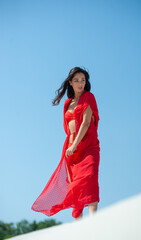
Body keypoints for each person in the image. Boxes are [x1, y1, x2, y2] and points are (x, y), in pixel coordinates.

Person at [31, 66, 100, 220]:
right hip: (71, 151)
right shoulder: (67, 103)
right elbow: (67, 129)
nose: (80, 83)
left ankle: (95, 221)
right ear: (70, 82)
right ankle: (79, 225)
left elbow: (86, 123)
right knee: (75, 186)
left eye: (83, 80)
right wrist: (72, 146)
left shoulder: (89, 97)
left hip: (88, 147)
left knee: (90, 178)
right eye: (76, 80)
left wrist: (75, 144)